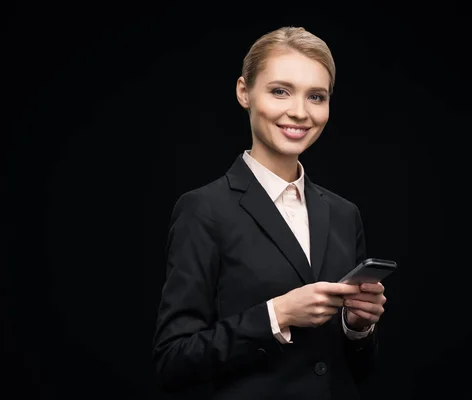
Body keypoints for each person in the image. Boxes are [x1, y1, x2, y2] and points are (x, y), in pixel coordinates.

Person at [152, 26, 386, 399]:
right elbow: (173, 360)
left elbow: (356, 370)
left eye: (316, 96)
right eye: (280, 91)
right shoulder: (203, 210)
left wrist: (357, 327)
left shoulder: (344, 214)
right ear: (244, 92)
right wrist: (277, 315)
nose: (299, 112)